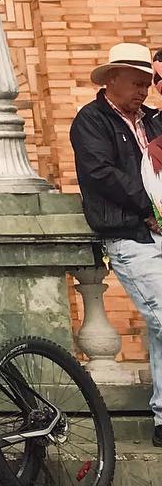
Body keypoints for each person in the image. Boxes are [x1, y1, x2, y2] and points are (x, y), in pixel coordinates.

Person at [71, 41, 162, 447]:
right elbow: (99, 173)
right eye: (136, 83)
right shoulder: (91, 120)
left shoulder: (155, 121)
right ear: (111, 80)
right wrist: (151, 207)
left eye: (148, 83)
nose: (144, 90)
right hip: (128, 233)